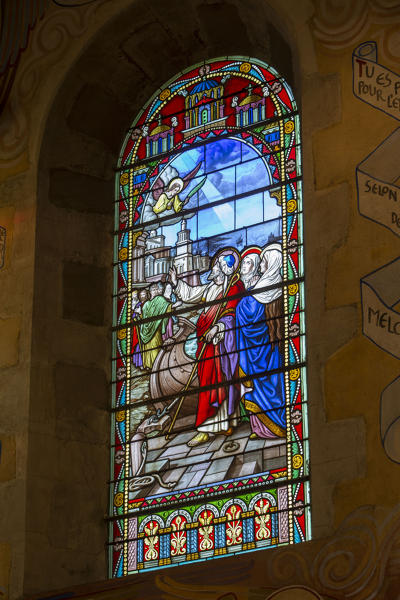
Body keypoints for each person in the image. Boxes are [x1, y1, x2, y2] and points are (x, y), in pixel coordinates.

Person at [169, 249, 244, 447]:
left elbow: (232, 315)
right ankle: (215, 425)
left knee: (219, 381)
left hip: (222, 344)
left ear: (227, 269)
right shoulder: (212, 287)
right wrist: (176, 282)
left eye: (219, 266)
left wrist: (218, 327)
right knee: (208, 383)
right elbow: (193, 294)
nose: (215, 269)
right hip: (207, 342)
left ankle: (213, 426)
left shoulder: (234, 288)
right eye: (215, 266)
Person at [236, 244, 286, 439]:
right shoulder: (272, 286)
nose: (261, 265)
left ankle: (272, 425)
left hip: (265, 348)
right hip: (270, 348)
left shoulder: (266, 287)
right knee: (267, 384)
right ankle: (262, 426)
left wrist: (241, 305)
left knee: (267, 383)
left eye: (264, 261)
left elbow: (249, 314)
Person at [139, 283, 172, 370]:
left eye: (153, 290)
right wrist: (174, 306)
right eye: (152, 290)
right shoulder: (150, 303)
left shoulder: (150, 303)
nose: (152, 292)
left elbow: (167, 307)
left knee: (150, 346)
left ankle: (149, 365)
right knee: (154, 346)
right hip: (155, 330)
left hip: (147, 332)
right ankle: (154, 365)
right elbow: (168, 308)